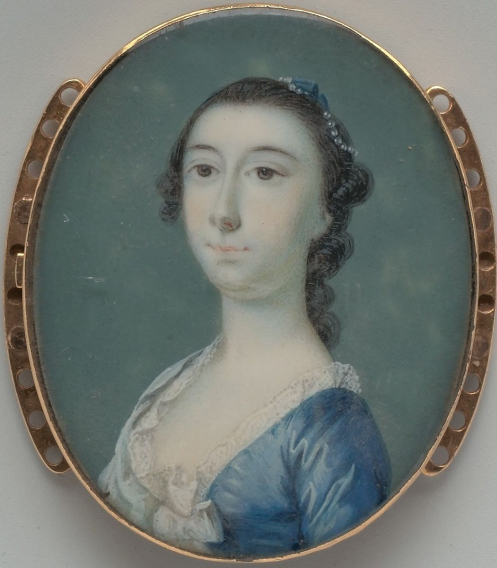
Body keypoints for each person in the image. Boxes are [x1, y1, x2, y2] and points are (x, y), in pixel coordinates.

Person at [98, 77, 391, 560]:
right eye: (205, 170)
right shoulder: (170, 387)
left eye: (265, 173)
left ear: (323, 210)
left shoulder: (331, 431)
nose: (224, 213)